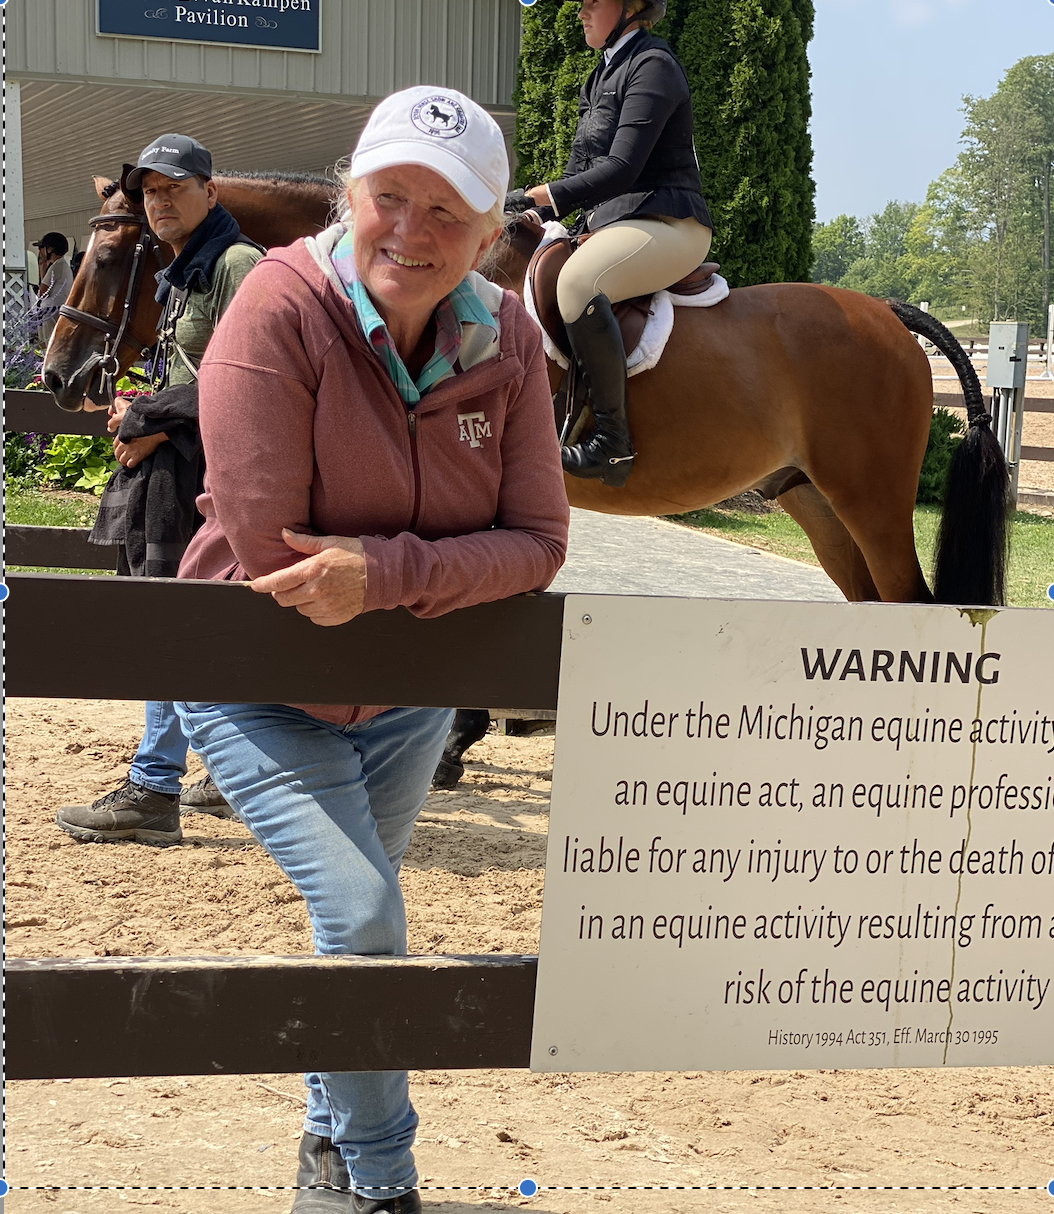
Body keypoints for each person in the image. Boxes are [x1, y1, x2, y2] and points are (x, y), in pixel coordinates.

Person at [172, 86, 568, 1212]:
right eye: (389, 195)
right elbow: (269, 547)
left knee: (356, 933)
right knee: (363, 916)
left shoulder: (511, 333)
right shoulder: (276, 307)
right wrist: (444, 564)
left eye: (449, 210)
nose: (412, 228)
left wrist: (384, 576)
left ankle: (328, 1146)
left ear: (491, 233)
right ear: (347, 194)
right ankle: (386, 1181)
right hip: (257, 681)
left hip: (407, 690)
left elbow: (538, 539)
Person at [55, 133, 263, 845]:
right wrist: (139, 409)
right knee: (178, 625)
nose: (159, 200)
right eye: (150, 191)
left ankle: (152, 788)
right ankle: (230, 774)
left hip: (213, 481)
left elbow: (258, 384)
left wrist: (150, 416)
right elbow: (197, 376)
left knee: (171, 628)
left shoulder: (238, 266)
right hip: (183, 470)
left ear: (211, 192)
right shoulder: (185, 270)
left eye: (173, 187)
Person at [523, 0, 713, 487]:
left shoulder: (654, 65)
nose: (581, 10)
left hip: (670, 222)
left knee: (579, 281)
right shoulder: (601, 74)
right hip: (618, 221)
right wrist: (537, 209)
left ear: (632, 5)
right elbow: (581, 171)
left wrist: (549, 194)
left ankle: (612, 442)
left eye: (592, 0)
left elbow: (622, 169)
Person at [31, 231, 74, 346]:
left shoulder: (56, 267)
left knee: (48, 345)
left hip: (51, 311)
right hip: (57, 310)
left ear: (49, 249)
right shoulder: (62, 265)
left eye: (41, 247)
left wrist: (42, 267)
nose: (40, 251)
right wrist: (43, 266)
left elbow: (42, 293)